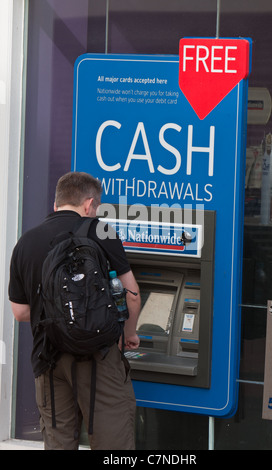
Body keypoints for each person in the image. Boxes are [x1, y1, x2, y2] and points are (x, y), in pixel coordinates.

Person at [8, 172, 141, 450]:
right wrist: (129, 335)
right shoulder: (102, 232)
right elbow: (132, 296)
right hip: (99, 355)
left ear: (56, 204)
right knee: (113, 443)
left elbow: (20, 312)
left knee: (58, 443)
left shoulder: (26, 242)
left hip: (49, 358)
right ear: (89, 204)